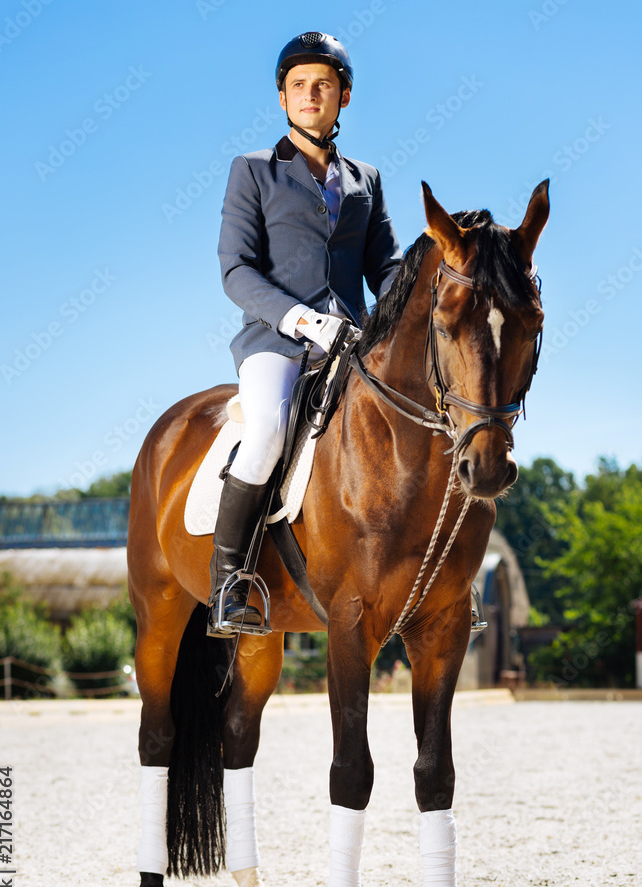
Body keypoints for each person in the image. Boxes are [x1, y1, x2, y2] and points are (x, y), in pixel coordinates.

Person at [210, 31, 402, 634]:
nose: (310, 94)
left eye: (322, 85)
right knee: (267, 428)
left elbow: (387, 266)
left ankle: (441, 582)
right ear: (283, 98)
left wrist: (412, 302)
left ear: (344, 97)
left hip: (352, 341)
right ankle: (229, 582)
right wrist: (299, 317)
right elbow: (236, 269)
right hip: (277, 341)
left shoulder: (366, 179)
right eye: (298, 86)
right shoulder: (253, 172)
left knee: (424, 418)